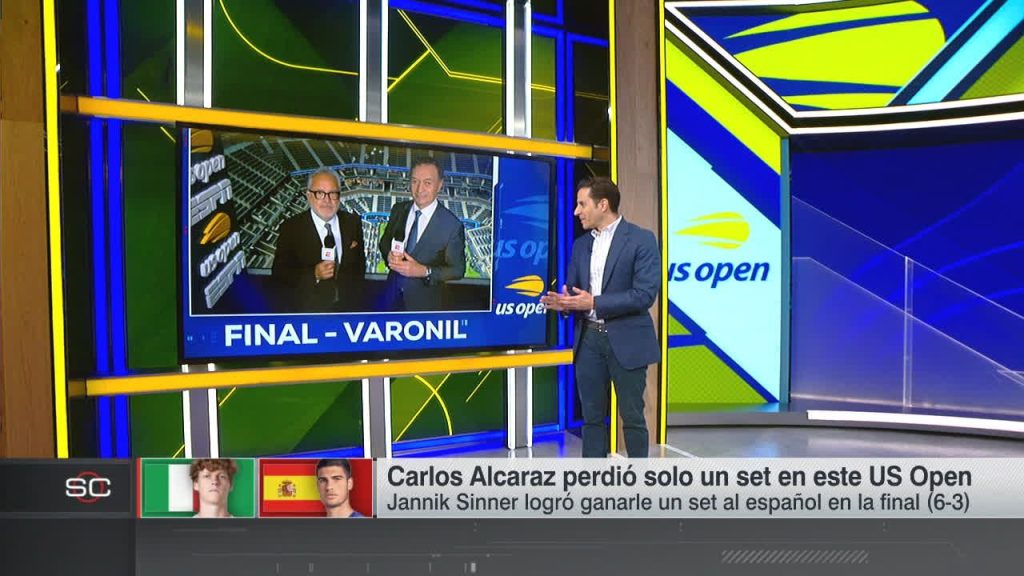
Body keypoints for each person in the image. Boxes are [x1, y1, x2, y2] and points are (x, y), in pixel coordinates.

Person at [541, 177, 660, 458]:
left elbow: (644, 295)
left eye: (582, 204)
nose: (576, 211)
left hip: (627, 340)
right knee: (592, 418)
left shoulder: (641, 240)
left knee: (632, 417)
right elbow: (575, 292)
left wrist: (594, 302)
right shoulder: (580, 245)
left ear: (603, 205)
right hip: (589, 340)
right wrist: (565, 304)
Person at [377, 158, 466, 311]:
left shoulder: (452, 225)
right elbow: (384, 243)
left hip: (423, 305)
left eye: (427, 182)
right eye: (415, 181)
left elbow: (458, 270)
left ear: (440, 185)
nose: (419, 189)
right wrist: (389, 255)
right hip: (389, 299)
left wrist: (425, 271)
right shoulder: (398, 209)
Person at [272, 168, 366, 312]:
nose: (327, 200)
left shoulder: (353, 222)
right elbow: (280, 273)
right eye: (320, 193)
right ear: (309, 195)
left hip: (349, 310)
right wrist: (314, 274)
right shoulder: (291, 228)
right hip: (309, 311)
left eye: (333, 193)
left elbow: (360, 265)